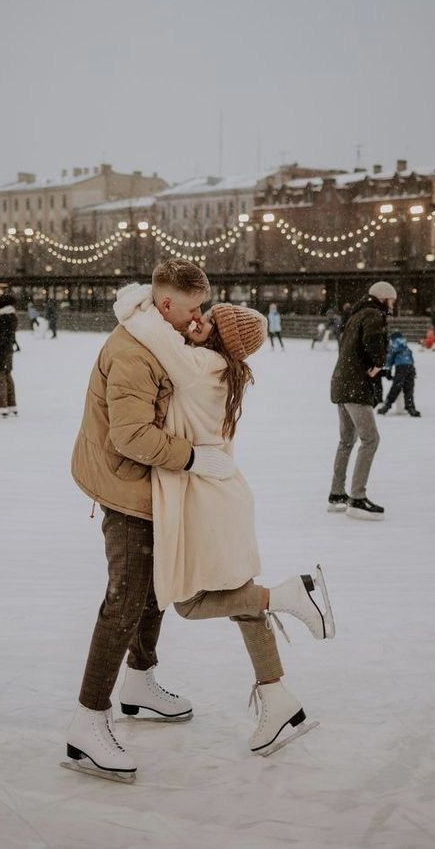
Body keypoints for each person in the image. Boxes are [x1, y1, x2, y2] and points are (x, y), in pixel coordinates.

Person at [113, 284, 334, 762]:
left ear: (222, 339)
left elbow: (149, 332)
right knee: (240, 599)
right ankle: (278, 700)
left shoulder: (199, 369)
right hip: (218, 495)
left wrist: (140, 301)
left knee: (190, 602)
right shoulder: (219, 369)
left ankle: (291, 595)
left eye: (211, 318)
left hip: (205, 501)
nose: (201, 320)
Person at [65, 260, 235, 783]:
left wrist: (204, 340)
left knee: (154, 589)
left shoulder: (163, 337)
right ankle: (87, 723)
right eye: (192, 309)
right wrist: (192, 458)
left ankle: (138, 680)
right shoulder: (135, 352)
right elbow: (130, 436)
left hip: (152, 482)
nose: (199, 316)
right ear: (165, 307)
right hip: (126, 483)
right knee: (125, 597)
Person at [328, 281, 395, 520]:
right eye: (392, 300)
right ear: (384, 298)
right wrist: (378, 364)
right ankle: (357, 497)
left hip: (341, 383)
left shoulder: (356, 315)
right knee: (370, 439)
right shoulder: (374, 315)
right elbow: (373, 342)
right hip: (355, 386)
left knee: (347, 441)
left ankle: (337, 494)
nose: (393, 304)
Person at [0, 293, 19, 417]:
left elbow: (0, 336)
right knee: (7, 376)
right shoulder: (12, 316)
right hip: (8, 350)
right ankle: (12, 404)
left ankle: (2, 406)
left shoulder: (3, 317)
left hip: (1, 350)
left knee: (0, 377)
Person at [377, 330, 420, 417]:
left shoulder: (394, 346)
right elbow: (411, 358)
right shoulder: (406, 346)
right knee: (409, 389)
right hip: (410, 368)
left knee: (395, 388)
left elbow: (390, 358)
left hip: (401, 368)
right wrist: (413, 371)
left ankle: (386, 406)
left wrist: (388, 370)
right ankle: (411, 407)